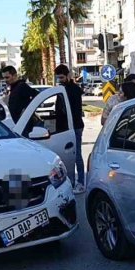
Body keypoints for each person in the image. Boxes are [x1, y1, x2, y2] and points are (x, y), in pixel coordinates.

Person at [54, 64, 86, 194]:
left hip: (74, 127)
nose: (60, 80)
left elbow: (73, 111)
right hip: (66, 127)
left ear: (68, 75)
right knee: (67, 157)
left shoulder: (73, 90)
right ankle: (71, 182)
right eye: (58, 78)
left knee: (76, 155)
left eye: (62, 77)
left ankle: (81, 183)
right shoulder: (62, 89)